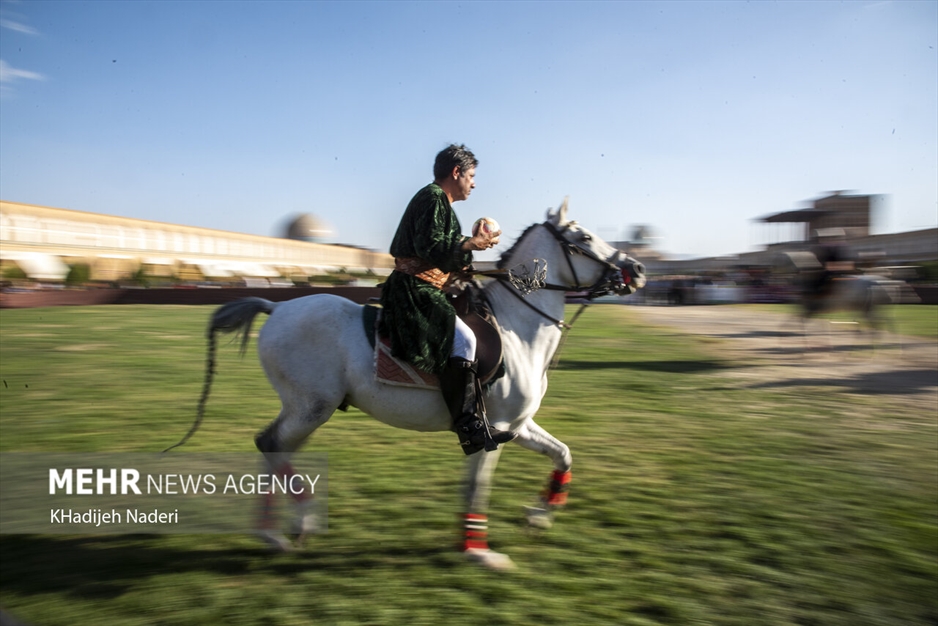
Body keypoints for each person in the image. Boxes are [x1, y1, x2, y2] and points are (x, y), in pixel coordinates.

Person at [379, 144, 514, 455]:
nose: (474, 182)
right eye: (471, 175)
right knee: (465, 340)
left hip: (429, 287)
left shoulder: (442, 205)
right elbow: (432, 245)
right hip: (415, 291)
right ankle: (468, 427)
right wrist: (470, 243)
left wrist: (470, 255)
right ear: (456, 173)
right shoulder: (432, 197)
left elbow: (446, 254)